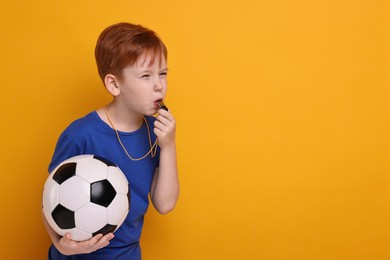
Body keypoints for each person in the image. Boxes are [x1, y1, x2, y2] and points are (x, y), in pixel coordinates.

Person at [42, 22, 180, 259]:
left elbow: (165, 204)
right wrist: (61, 245)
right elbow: (50, 200)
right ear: (114, 84)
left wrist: (169, 145)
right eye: (146, 76)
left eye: (163, 74)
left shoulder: (154, 131)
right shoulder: (80, 135)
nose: (159, 85)